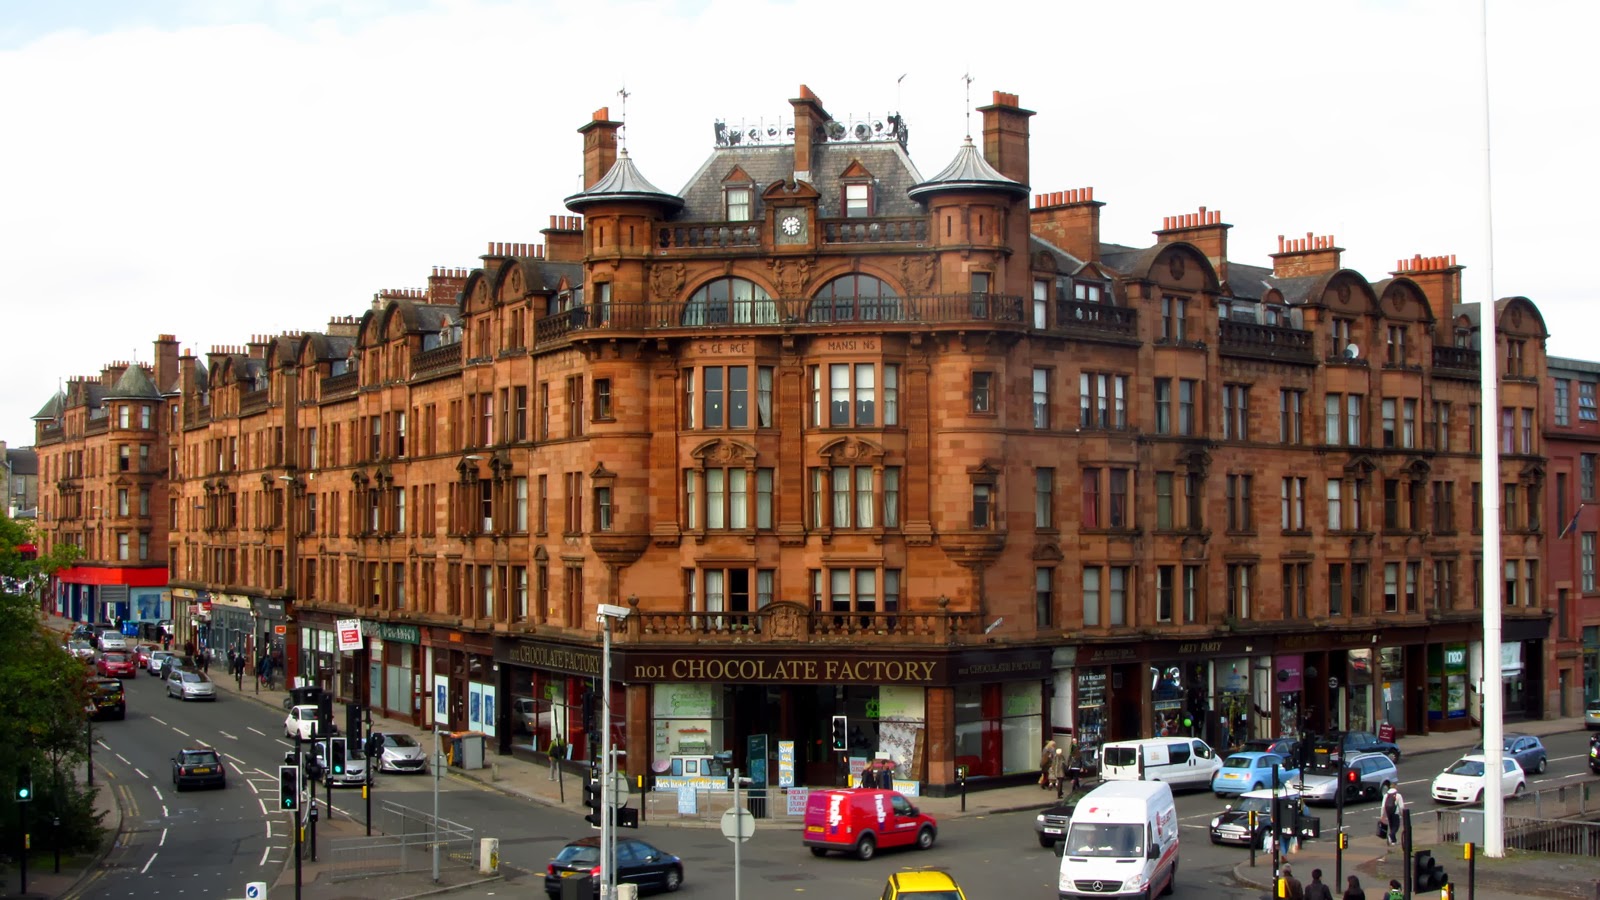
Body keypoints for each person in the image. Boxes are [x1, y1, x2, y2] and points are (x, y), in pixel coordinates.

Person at [1380, 785, 1404, 854]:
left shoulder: (1386, 795)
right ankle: (1390, 836)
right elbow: (1401, 806)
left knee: (1391, 826)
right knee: (1396, 826)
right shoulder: (1398, 795)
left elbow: (1383, 806)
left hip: (1388, 813)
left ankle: (1394, 841)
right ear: (1395, 788)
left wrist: (1382, 816)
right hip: (1395, 813)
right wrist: (1402, 814)